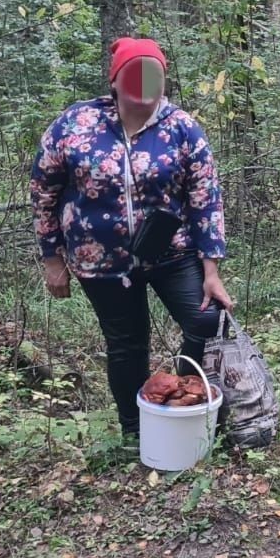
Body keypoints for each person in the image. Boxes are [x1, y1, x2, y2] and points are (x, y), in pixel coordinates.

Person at [31, 37, 233, 441]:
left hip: (171, 253)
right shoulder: (75, 124)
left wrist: (212, 268)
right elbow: (43, 192)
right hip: (98, 259)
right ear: (116, 79)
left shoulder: (181, 127)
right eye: (134, 74)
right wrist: (53, 260)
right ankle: (136, 431)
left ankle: (182, 397)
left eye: (152, 74)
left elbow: (205, 197)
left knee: (206, 320)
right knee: (126, 345)